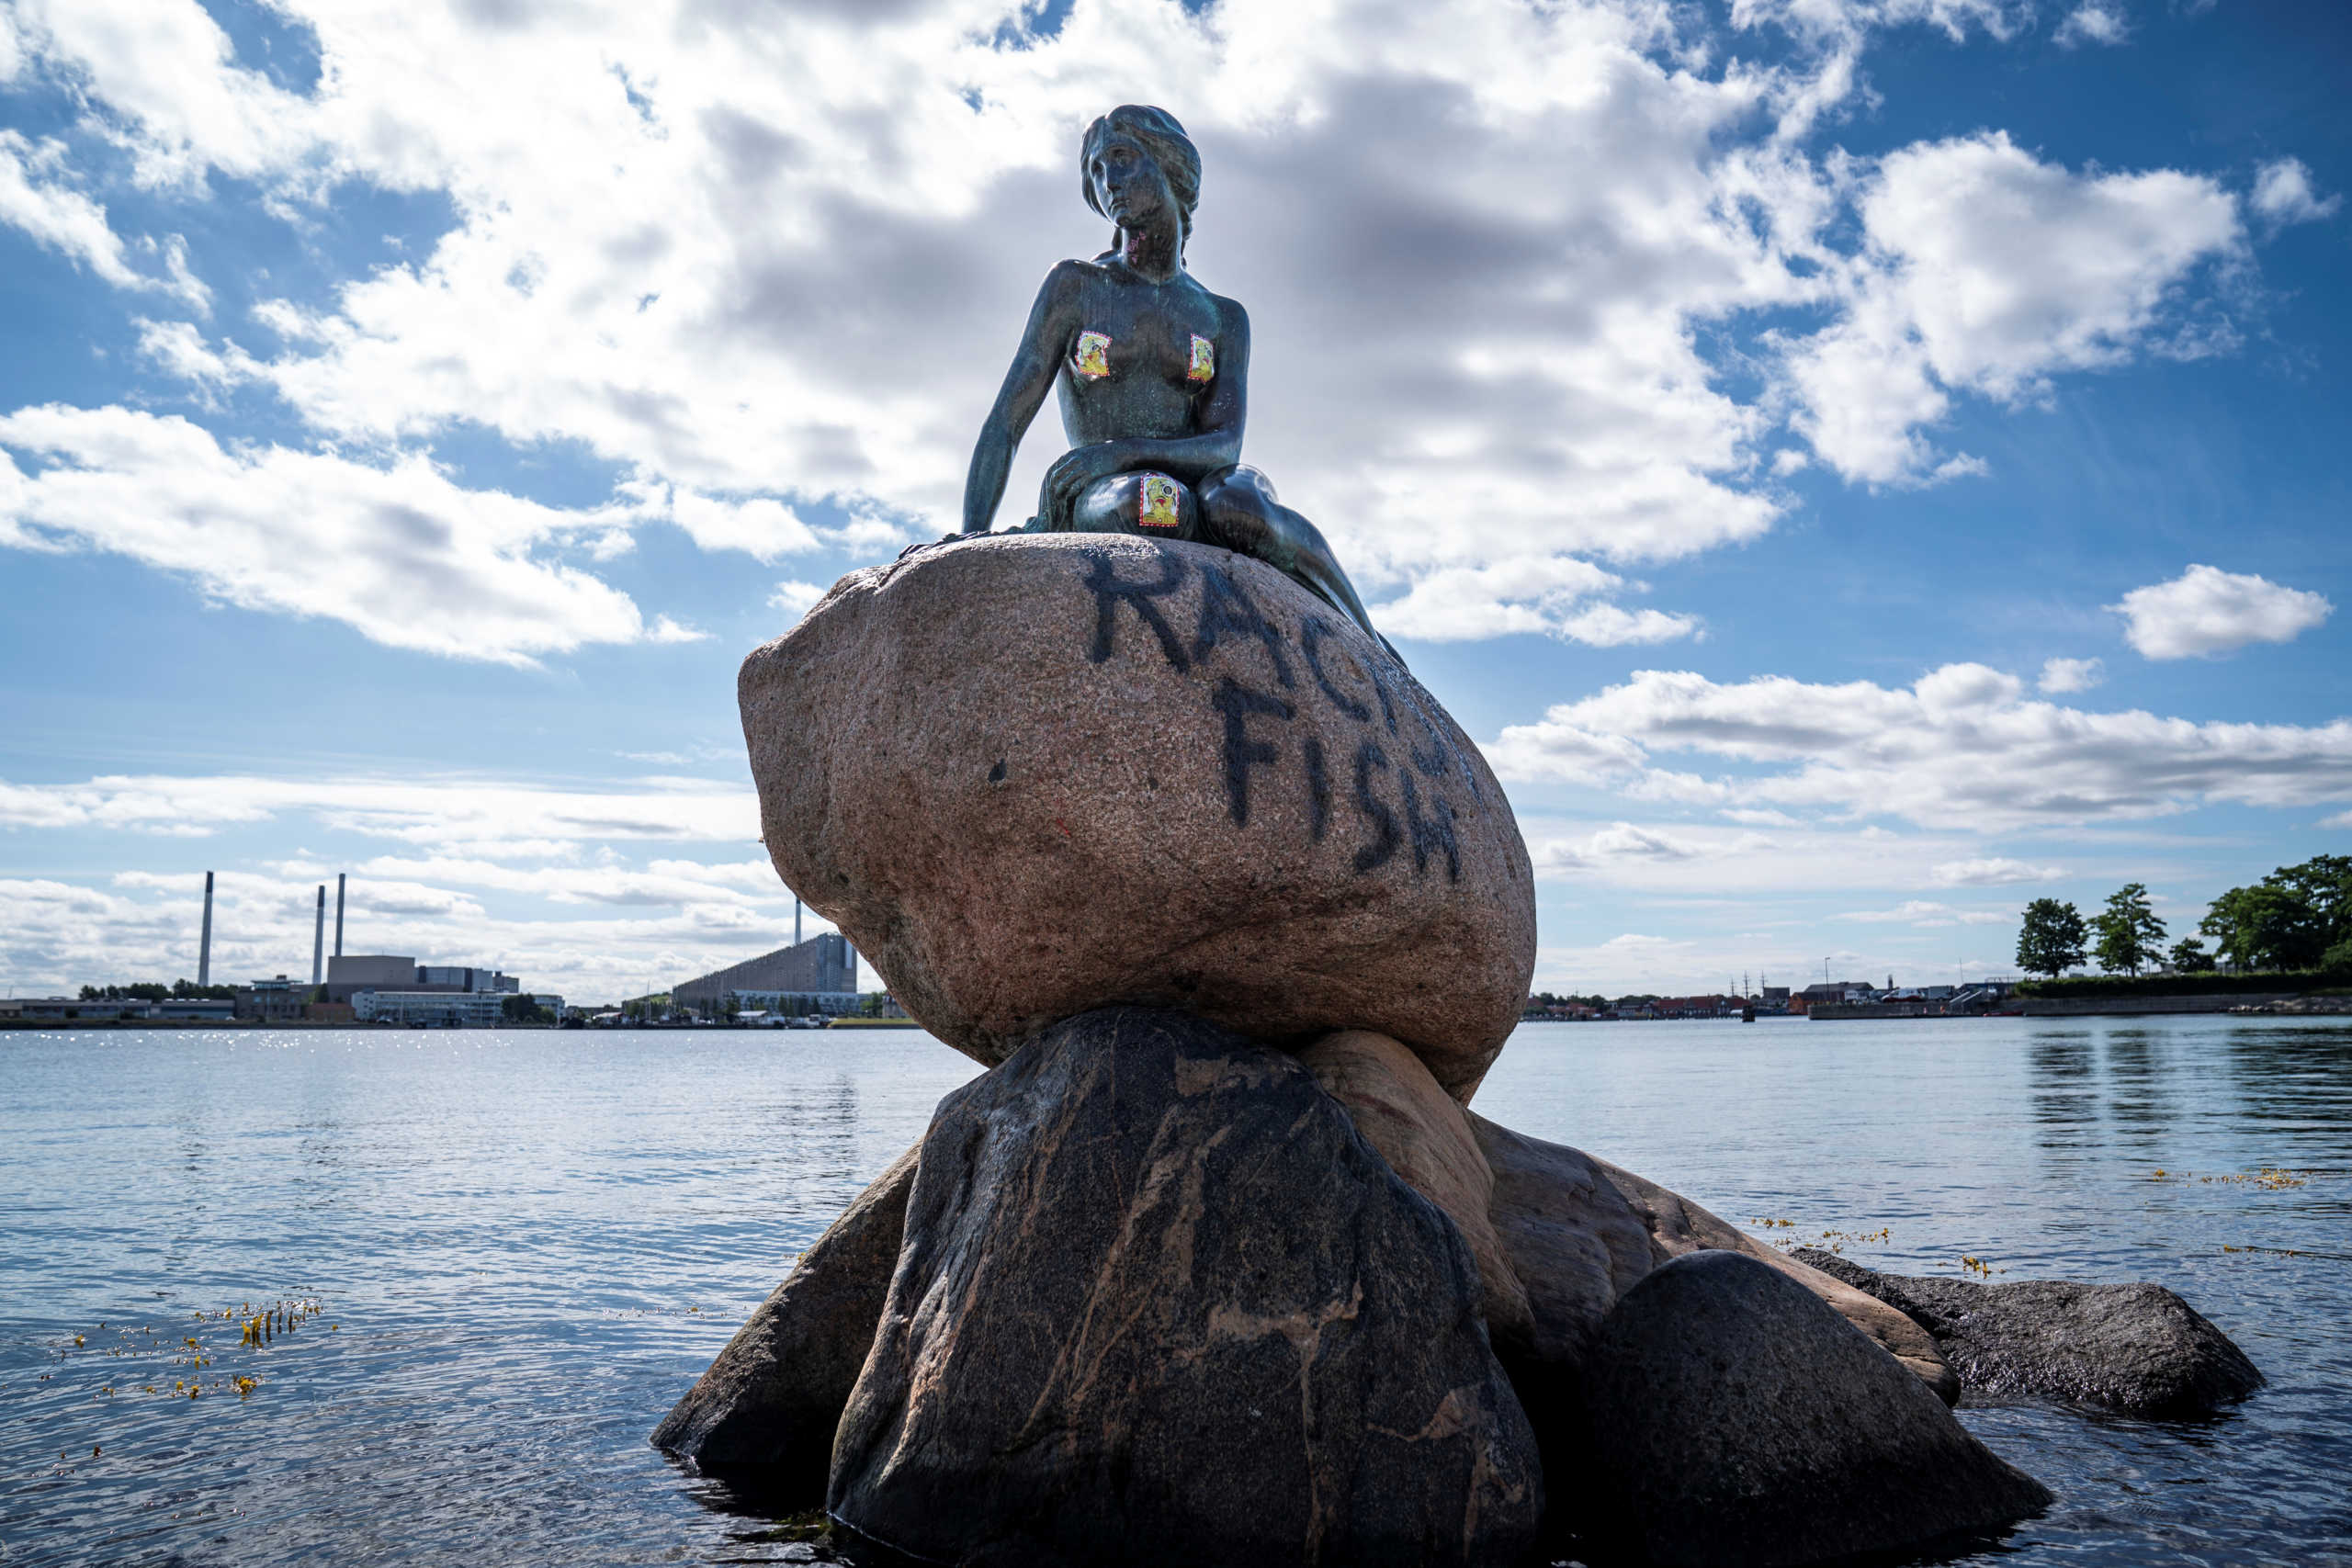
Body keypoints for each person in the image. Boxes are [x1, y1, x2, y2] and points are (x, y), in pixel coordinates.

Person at [959, 105, 1392, 652]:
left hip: (1195, 479)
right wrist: (972, 537)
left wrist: (1114, 450)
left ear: (1169, 166)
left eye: (1120, 158)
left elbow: (1225, 445)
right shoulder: (1076, 287)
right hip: (1107, 492)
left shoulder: (1221, 317)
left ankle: (1370, 642)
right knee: (1153, 503)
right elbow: (1006, 420)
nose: (1107, 180)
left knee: (1240, 507)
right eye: (1095, 170)